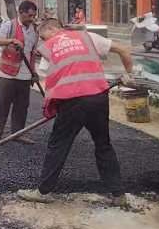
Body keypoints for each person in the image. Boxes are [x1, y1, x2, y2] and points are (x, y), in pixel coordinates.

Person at [17, 18, 133, 205]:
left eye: (43, 37)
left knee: (58, 145)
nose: (44, 41)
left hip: (72, 102)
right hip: (98, 97)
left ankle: (43, 192)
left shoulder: (49, 48)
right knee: (103, 145)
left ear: (52, 29)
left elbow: (51, 83)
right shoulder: (87, 37)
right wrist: (129, 74)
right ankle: (119, 195)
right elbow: (123, 49)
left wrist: (51, 108)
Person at [0, 1, 40, 145]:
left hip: (25, 75)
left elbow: (32, 53)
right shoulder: (9, 25)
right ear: (21, 13)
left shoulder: (35, 30)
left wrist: (34, 72)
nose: (32, 18)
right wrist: (11, 41)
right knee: (2, 105)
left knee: (22, 106)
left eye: (34, 16)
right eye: (29, 15)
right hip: (8, 74)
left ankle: (18, 133)